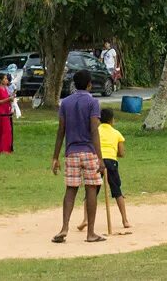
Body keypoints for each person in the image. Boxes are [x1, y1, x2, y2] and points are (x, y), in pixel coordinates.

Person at [51, 70, 106, 244]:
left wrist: (55, 157)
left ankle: (64, 228)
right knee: (91, 189)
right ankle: (90, 233)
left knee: (70, 190)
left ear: (74, 84)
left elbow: (61, 131)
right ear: (89, 84)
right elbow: (94, 131)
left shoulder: (65, 103)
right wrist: (100, 158)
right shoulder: (93, 102)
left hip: (71, 152)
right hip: (89, 151)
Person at [77, 108, 130, 232]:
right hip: (111, 162)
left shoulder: (95, 132)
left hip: (96, 160)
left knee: (91, 191)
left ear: (99, 119)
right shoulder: (116, 133)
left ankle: (85, 219)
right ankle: (125, 220)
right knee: (117, 191)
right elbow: (121, 153)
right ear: (112, 120)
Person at [0, 73, 15, 154]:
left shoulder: (5, 88)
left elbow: (7, 100)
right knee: (2, 131)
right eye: (5, 79)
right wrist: (8, 99)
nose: (6, 80)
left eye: (7, 79)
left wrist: (11, 100)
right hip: (0, 113)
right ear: (1, 80)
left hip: (6, 112)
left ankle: (7, 148)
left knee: (8, 131)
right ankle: (1, 149)